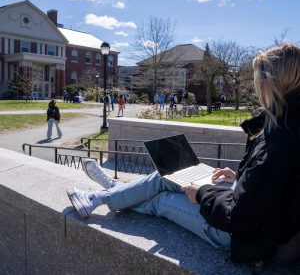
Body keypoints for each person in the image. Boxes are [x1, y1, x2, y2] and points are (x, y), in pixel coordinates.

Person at [66, 43, 300, 264]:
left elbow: (237, 217)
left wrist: (201, 194)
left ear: (272, 82)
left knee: (162, 199)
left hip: (241, 235)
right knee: (170, 174)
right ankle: (112, 191)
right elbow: (275, 188)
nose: (257, 88)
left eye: (259, 80)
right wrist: (239, 179)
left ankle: (105, 194)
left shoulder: (280, 138)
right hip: (263, 223)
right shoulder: (289, 125)